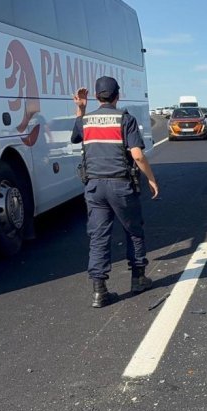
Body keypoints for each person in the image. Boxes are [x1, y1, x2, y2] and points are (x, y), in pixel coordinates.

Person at [71, 76, 160, 308]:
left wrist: (80, 108)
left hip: (94, 187)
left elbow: (76, 136)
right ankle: (138, 278)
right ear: (117, 95)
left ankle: (99, 291)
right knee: (133, 230)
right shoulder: (125, 119)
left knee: (99, 237)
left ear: (96, 97)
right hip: (120, 184)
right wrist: (151, 179)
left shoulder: (86, 121)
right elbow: (137, 155)